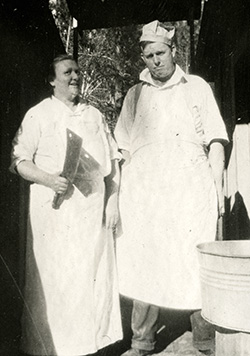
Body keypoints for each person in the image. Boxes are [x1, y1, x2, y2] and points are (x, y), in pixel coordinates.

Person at [114, 20, 229, 356]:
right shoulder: (135, 95)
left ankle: (205, 339)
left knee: (194, 258)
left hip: (189, 190)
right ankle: (142, 341)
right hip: (147, 193)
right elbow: (123, 146)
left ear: (173, 51)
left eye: (160, 53)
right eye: (149, 55)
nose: (156, 61)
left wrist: (216, 182)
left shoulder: (195, 87)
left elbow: (216, 139)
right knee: (147, 259)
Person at [10, 54, 122, 356]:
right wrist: (49, 179)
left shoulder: (94, 115)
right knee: (58, 278)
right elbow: (19, 161)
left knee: (91, 276)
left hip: (91, 212)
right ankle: (53, 349)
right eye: (67, 72)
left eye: (77, 71)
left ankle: (92, 345)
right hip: (55, 215)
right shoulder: (38, 114)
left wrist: (113, 199)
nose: (75, 76)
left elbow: (113, 162)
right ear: (52, 79)